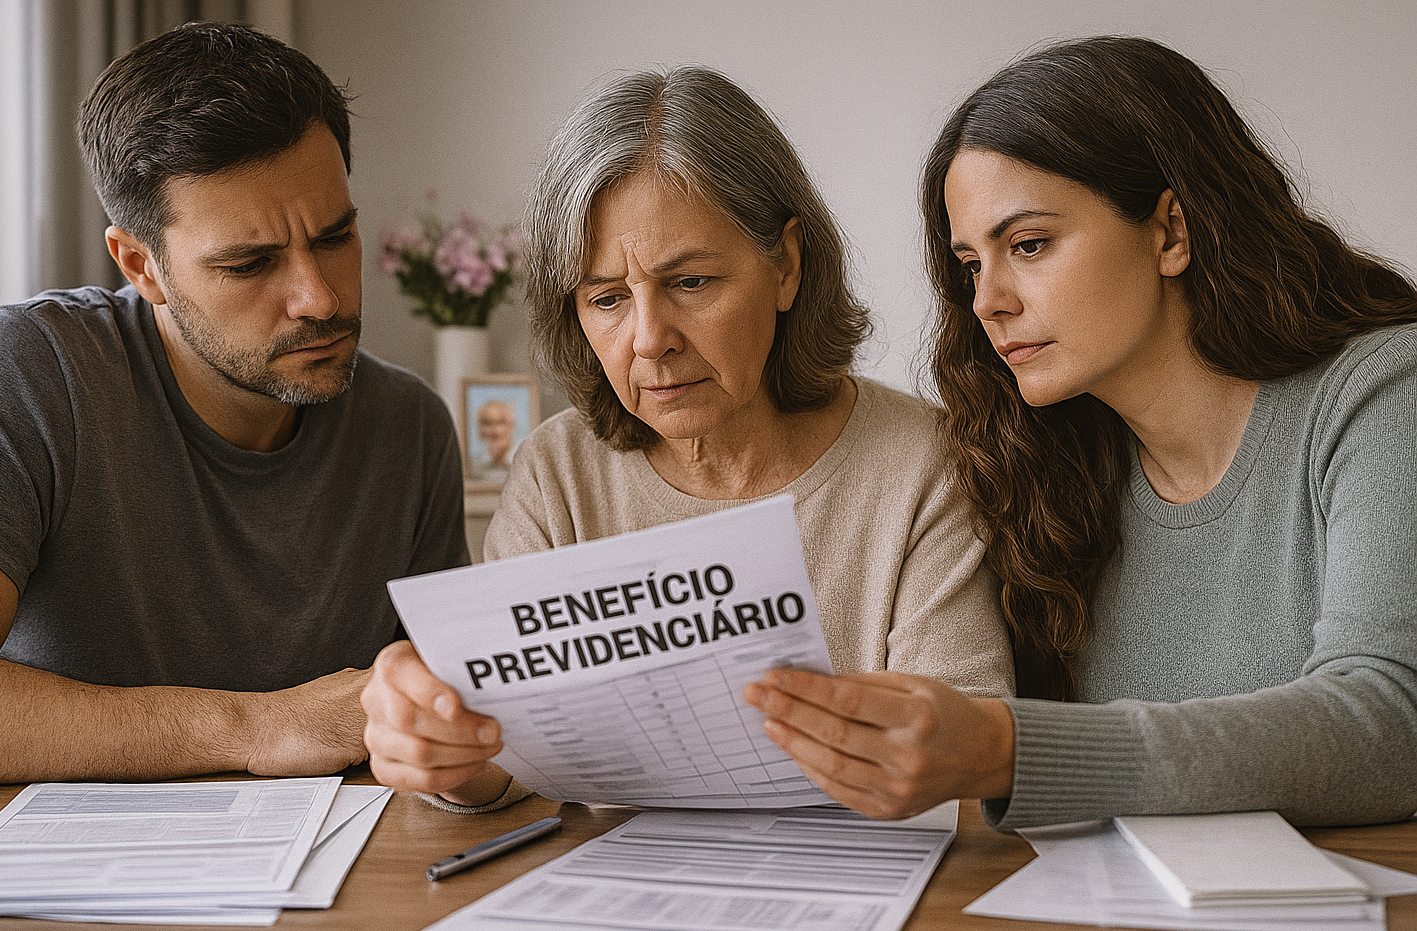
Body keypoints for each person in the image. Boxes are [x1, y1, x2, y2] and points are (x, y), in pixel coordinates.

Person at [744, 36, 1417, 829]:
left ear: (1171, 231)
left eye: (1027, 245)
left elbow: (1389, 729)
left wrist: (1008, 749)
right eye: (970, 265)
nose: (988, 300)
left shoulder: (1384, 392)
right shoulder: (1049, 467)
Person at [361, 66, 1013, 812]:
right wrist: (441, 748)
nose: (648, 340)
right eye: (606, 298)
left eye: (691, 283)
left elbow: (963, 758)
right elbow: (505, 766)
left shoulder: (922, 462)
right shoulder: (559, 471)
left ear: (786, 267)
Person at [0, 23, 468, 787]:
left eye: (334, 237)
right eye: (249, 263)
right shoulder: (26, 373)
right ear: (140, 265)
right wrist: (259, 725)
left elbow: (450, 724)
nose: (318, 298)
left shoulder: (410, 428)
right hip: (62, 885)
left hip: (337, 880)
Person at [473, 399, 517, 478]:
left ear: (511, 427)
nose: (494, 430)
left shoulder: (522, 462)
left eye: (500, 423)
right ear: (480, 430)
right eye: (487, 423)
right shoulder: (474, 467)